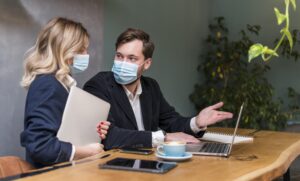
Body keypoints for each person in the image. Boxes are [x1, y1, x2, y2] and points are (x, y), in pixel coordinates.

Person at [83, 28, 233, 150]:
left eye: (132, 58)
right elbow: (109, 136)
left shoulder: (151, 87)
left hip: (150, 159)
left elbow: (171, 121)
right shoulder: (98, 86)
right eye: (119, 56)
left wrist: (197, 122)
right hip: (117, 165)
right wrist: (163, 137)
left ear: (147, 64)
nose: (123, 63)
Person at [20, 17, 110, 168]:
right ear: (65, 50)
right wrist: (84, 151)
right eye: (81, 49)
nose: (86, 54)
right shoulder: (48, 85)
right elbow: (40, 145)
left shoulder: (60, 84)